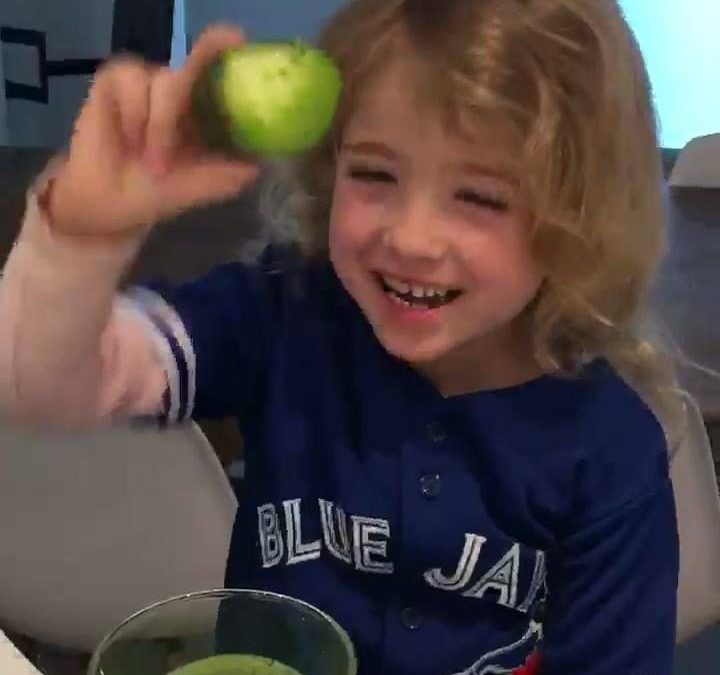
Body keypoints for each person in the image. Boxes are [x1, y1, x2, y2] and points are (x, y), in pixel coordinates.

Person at [0, 1, 681, 673]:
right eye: (374, 174)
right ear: (330, 169)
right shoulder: (281, 316)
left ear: (579, 219)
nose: (411, 238)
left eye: (479, 197)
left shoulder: (608, 452)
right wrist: (80, 238)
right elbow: (43, 382)